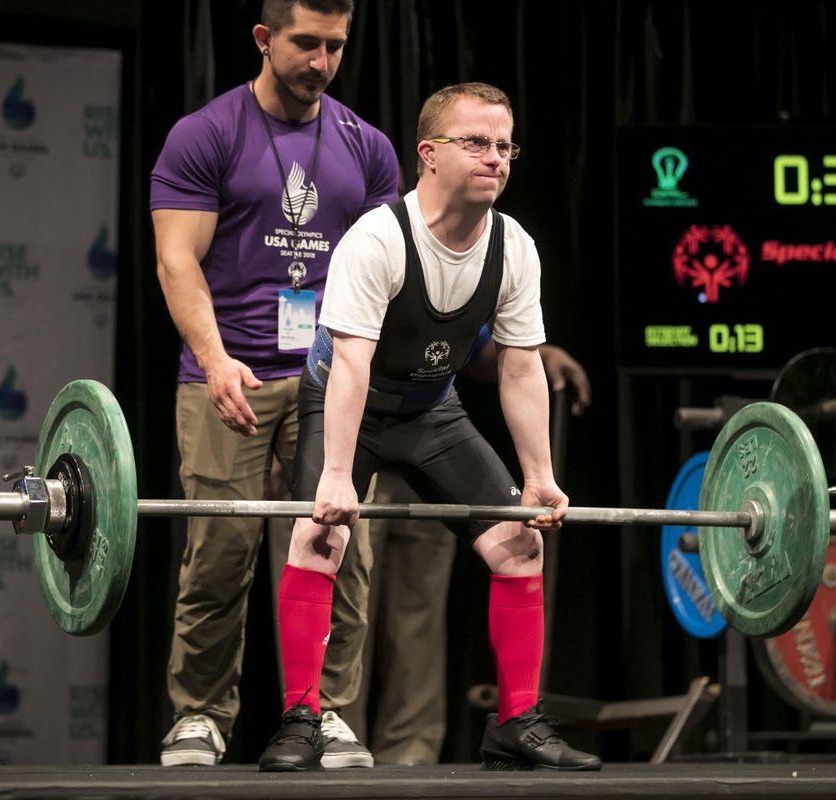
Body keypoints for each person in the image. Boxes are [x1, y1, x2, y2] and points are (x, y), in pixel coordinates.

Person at [258, 81, 602, 772]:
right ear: (429, 154)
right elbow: (349, 368)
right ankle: (302, 718)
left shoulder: (515, 248)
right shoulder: (377, 239)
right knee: (317, 537)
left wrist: (539, 476)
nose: (495, 157)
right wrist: (333, 476)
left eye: (505, 145)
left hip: (429, 412)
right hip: (345, 403)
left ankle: (514, 724)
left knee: (519, 545)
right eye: (476, 142)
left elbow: (519, 367)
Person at [149, 0, 397, 768]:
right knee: (220, 553)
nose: (321, 61)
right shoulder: (207, 134)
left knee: (339, 549)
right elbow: (177, 260)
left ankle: (323, 712)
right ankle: (199, 715)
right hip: (230, 372)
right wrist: (218, 359)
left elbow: (388, 275)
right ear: (263, 38)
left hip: (332, 379)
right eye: (305, 43)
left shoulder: (368, 148)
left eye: (335, 46)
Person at [343, 341, 591, 766]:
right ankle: (341, 742)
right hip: (354, 437)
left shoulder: (464, 276)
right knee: (349, 604)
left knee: (419, 614)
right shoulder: (354, 273)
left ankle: (411, 756)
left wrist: (534, 354)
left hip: (428, 442)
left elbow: (472, 351)